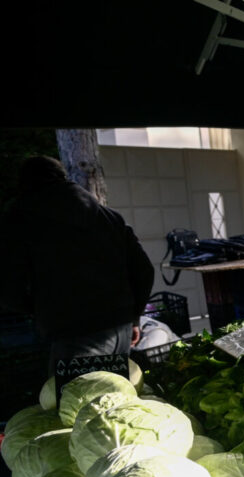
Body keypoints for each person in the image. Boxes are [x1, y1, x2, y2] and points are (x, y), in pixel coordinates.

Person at [0, 156, 154, 373]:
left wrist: (38, 308)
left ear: (24, 183)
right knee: (117, 399)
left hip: (72, 332)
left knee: (80, 402)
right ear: (63, 177)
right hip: (120, 329)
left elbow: (8, 286)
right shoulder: (108, 217)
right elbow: (144, 270)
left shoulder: (19, 220)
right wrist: (134, 317)